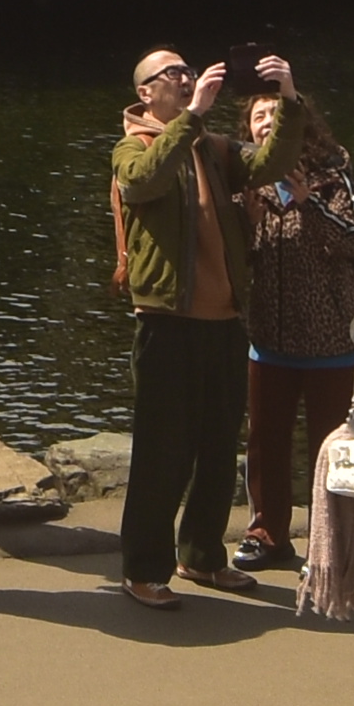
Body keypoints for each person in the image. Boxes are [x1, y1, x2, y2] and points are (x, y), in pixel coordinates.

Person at [111, 45, 255, 607]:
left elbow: (266, 164)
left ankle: (201, 555)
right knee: (162, 450)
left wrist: (287, 100)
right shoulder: (132, 145)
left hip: (224, 320)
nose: (186, 77)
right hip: (167, 321)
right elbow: (142, 183)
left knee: (219, 446)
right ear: (146, 92)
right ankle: (144, 567)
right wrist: (192, 116)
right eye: (172, 73)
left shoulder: (211, 147)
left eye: (188, 71)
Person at [229, 59, 354, 578]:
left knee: (333, 446)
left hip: (331, 334)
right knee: (265, 438)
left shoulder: (333, 170)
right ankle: (267, 532)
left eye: (274, 112)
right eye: (256, 116)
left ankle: (332, 544)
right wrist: (247, 220)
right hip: (270, 334)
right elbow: (231, 254)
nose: (265, 121)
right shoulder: (247, 183)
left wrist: (309, 204)